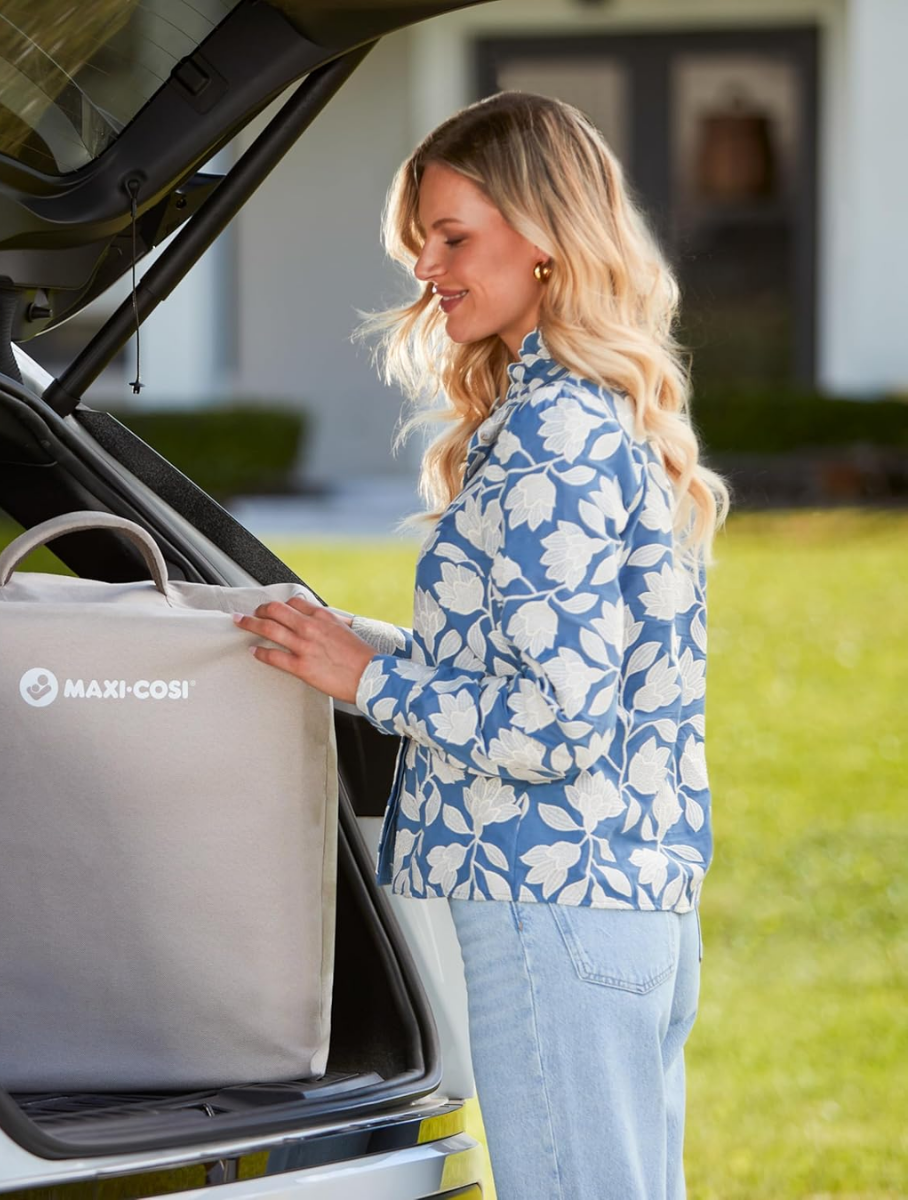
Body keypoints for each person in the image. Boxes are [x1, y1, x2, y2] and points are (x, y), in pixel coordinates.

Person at [232, 90, 730, 1199]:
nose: (430, 270)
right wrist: (352, 649)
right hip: (628, 902)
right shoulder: (600, 408)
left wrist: (367, 677)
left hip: (547, 899)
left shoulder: (552, 433)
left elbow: (555, 723)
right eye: (424, 245)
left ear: (543, 232)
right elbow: (540, 664)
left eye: (453, 237)